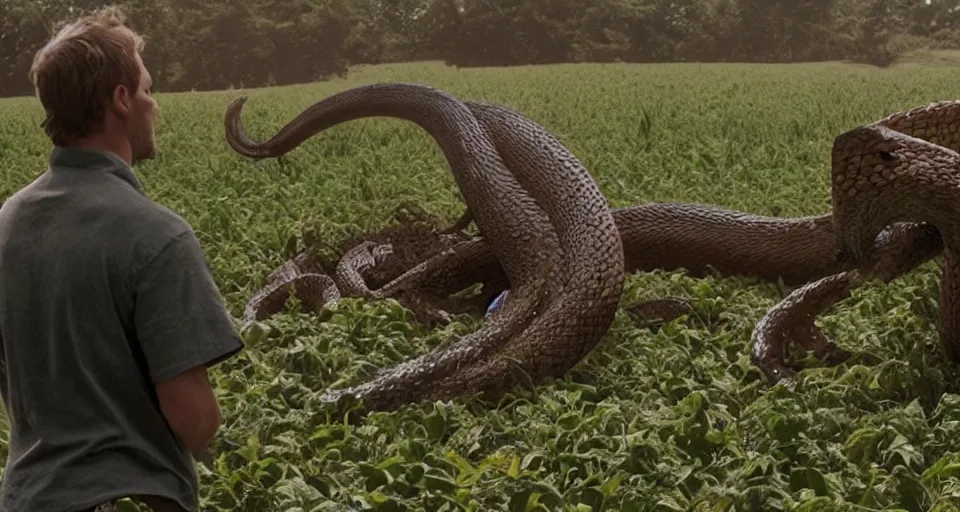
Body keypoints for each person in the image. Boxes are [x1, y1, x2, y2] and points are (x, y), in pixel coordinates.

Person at [0, 6, 244, 512]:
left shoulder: (6, 223)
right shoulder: (157, 236)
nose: (154, 104)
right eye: (148, 88)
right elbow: (193, 420)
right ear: (120, 99)